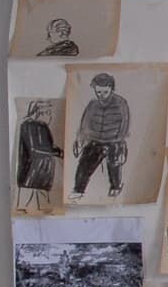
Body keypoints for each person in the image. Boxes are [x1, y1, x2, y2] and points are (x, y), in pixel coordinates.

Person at [68, 72, 130, 200]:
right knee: (84, 164)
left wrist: (120, 144)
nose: (101, 95)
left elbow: (124, 125)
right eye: (98, 92)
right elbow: (84, 124)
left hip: (114, 141)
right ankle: (78, 190)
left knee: (114, 163)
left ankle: (115, 187)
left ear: (111, 89)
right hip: (95, 140)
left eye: (105, 92)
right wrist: (80, 140)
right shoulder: (93, 105)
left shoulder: (121, 103)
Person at [14, 100, 61, 211]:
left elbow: (48, 146)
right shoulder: (28, 126)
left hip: (44, 175)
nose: (50, 116)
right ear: (37, 113)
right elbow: (34, 149)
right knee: (25, 209)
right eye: (47, 113)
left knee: (45, 210)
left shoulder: (43, 127)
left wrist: (57, 151)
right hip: (31, 175)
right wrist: (56, 152)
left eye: (50, 113)